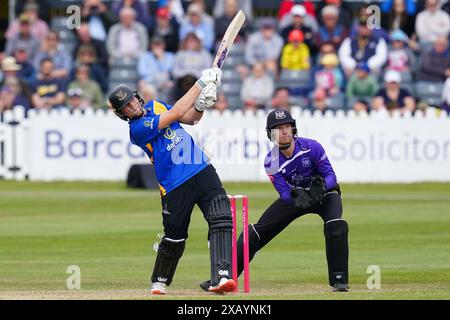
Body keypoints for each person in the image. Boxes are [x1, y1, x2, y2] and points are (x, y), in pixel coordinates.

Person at [107, 67, 236, 295]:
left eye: (131, 101)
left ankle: (222, 276)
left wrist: (200, 106)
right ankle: (160, 280)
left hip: (200, 166)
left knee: (222, 217)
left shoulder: (155, 105)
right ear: (122, 114)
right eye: (125, 107)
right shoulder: (136, 129)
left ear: (137, 97)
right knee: (175, 235)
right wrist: (200, 85)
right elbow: (175, 113)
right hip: (174, 183)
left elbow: (190, 119)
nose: (132, 106)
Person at [200, 108, 349, 292]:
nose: (284, 131)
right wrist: (299, 195)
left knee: (336, 224)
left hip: (324, 195)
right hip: (297, 198)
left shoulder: (312, 147)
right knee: (253, 234)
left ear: (293, 129)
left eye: (287, 126)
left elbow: (331, 177)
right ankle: (223, 279)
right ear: (270, 134)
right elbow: (284, 194)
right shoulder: (271, 161)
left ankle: (339, 280)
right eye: (278, 128)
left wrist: (320, 189)